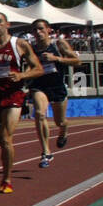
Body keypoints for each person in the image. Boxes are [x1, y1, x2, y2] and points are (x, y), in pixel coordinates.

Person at [0, 13, 42, 192]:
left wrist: (21, 75)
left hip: (12, 96)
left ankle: (6, 179)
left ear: (8, 24)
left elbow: (39, 68)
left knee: (6, 139)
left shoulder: (19, 44)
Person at [27, 19, 80, 168]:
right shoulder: (31, 48)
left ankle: (63, 131)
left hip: (57, 87)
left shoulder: (58, 44)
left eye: (40, 29)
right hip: (39, 86)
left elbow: (77, 61)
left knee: (60, 122)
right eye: (34, 30)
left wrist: (55, 58)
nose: (38, 32)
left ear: (48, 30)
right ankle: (46, 152)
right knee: (40, 114)